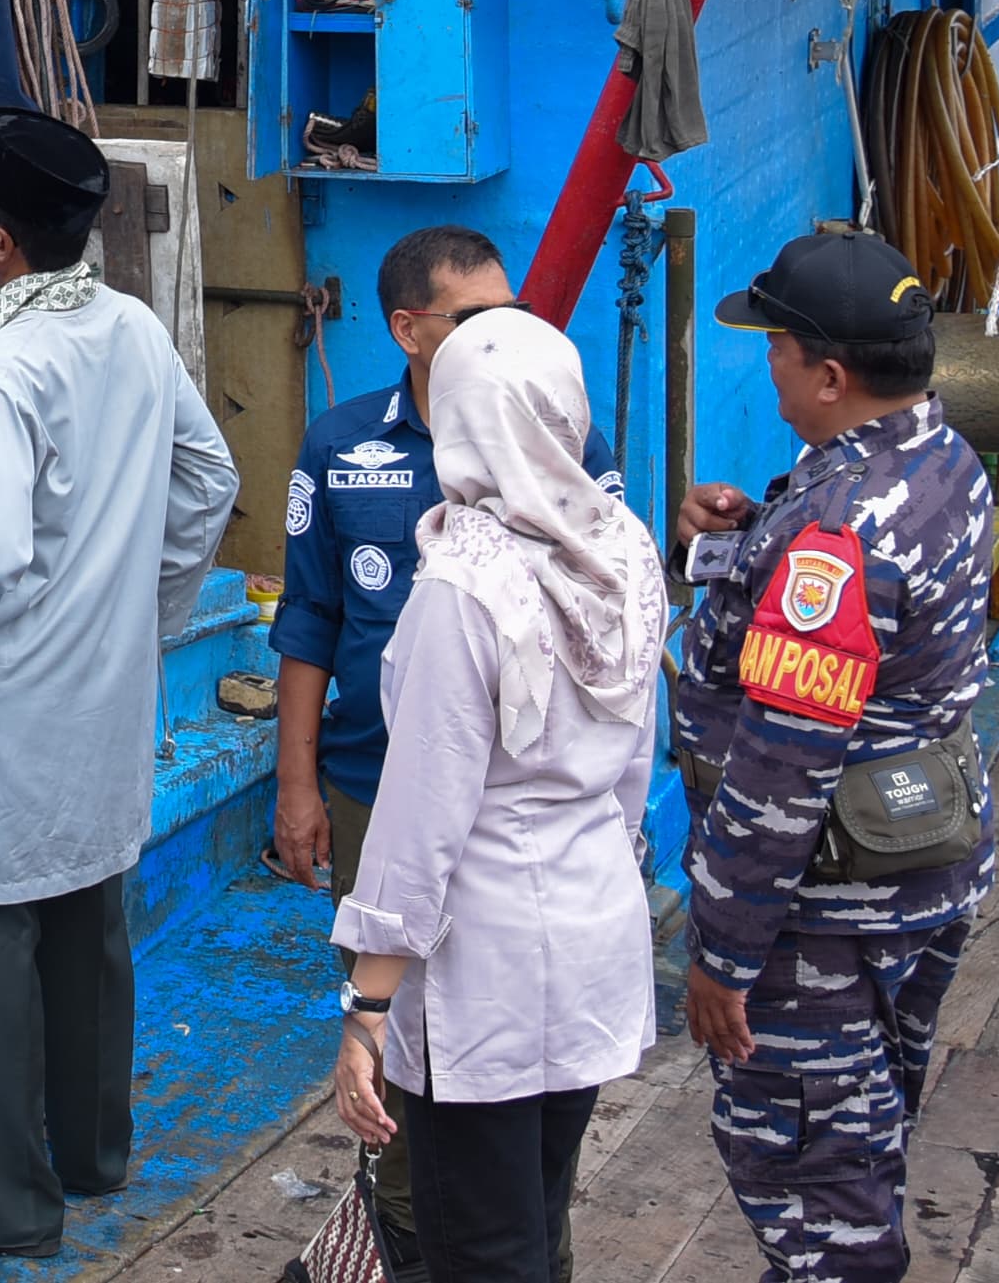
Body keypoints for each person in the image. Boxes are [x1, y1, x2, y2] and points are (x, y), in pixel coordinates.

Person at [0, 111, 237, 1258]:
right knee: (89, 919)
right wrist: (150, 608)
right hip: (103, 686)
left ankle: (1, 1202)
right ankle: (89, 1152)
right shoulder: (129, 326)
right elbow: (208, 475)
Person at [271, 225, 625, 1274]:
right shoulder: (340, 444)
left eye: (509, 312)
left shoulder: (564, 464)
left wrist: (365, 1013)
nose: (499, 335)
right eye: (475, 317)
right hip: (374, 792)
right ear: (405, 328)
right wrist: (295, 784)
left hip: (493, 838)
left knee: (465, 1106)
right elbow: (307, 620)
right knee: (416, 1103)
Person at [670, 229, 997, 1283]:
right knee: (862, 1124)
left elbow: (782, 765)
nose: (764, 362)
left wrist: (720, 950)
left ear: (827, 373)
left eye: (774, 345)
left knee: (810, 1170)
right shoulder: (938, 457)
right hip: (920, 869)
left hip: (820, 911)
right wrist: (736, 537)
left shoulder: (834, 531)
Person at [324, 310, 668, 1283]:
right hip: (594, 933)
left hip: (485, 976)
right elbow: (632, 768)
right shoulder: (623, 552)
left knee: (476, 1247)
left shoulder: (462, 588)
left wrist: (365, 1007)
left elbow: (415, 825)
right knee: (530, 1222)